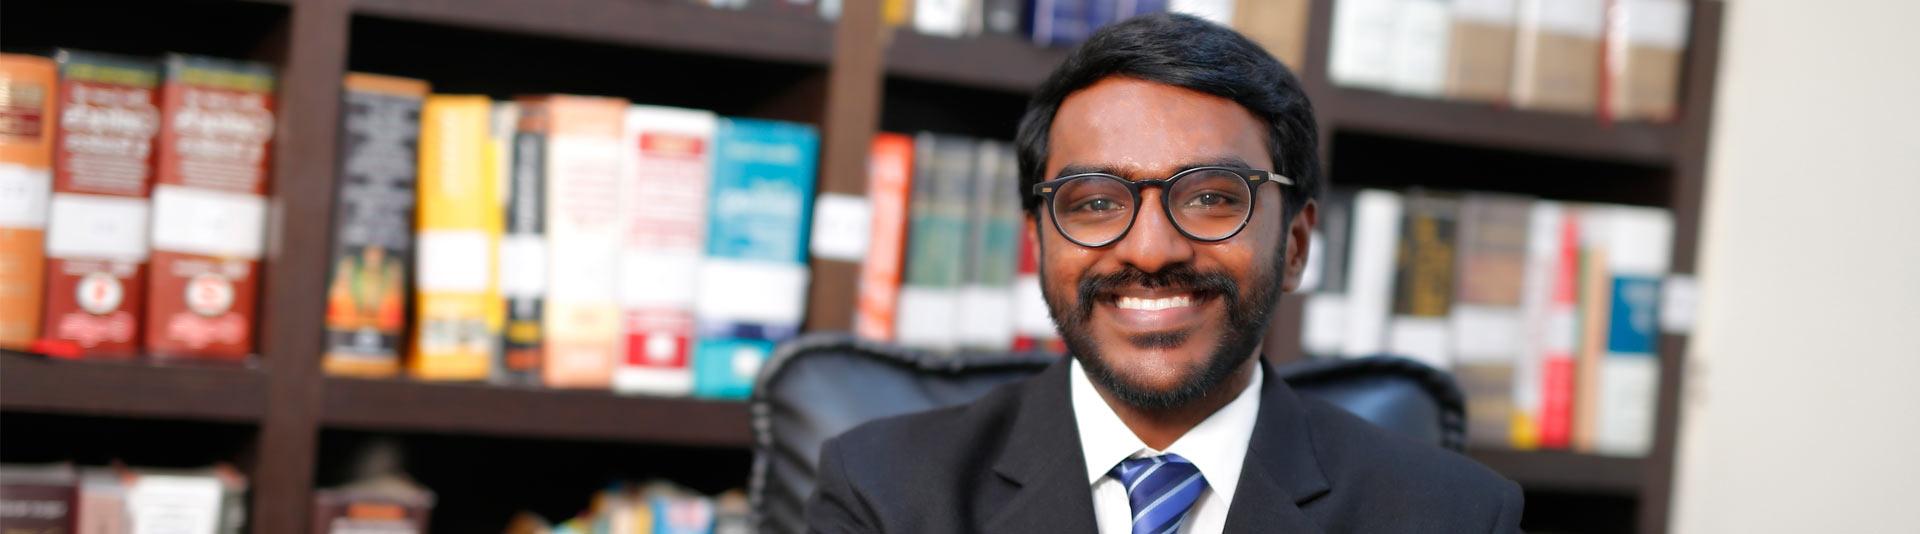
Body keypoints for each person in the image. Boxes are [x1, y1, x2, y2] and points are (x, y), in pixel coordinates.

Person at [806, 13, 1522, 533]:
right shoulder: (882, 492)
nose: (1150, 252)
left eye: (1212, 198)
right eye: (1094, 203)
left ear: (1297, 245)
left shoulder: (1453, 514)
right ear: (1038, 243)